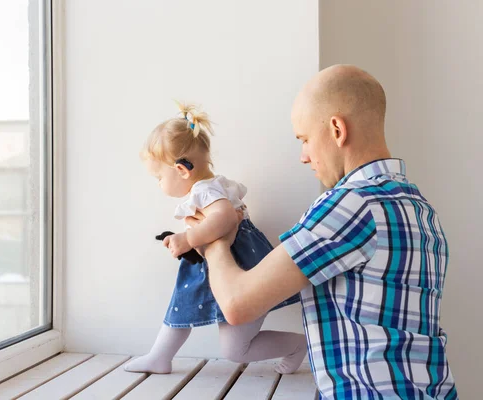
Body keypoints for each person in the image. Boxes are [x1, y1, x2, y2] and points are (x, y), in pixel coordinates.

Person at [195, 65, 458, 399]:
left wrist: (215, 239)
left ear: (336, 129)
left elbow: (237, 304)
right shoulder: (421, 208)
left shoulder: (352, 204)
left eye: (304, 139)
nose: (303, 156)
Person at [124, 102, 307, 375]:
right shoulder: (211, 188)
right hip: (217, 265)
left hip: (237, 267)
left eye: (159, 177)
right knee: (181, 304)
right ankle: (160, 356)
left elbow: (224, 219)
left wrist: (188, 238)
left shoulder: (206, 191)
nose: (159, 184)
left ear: (182, 170)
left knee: (235, 349)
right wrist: (185, 238)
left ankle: (297, 346)